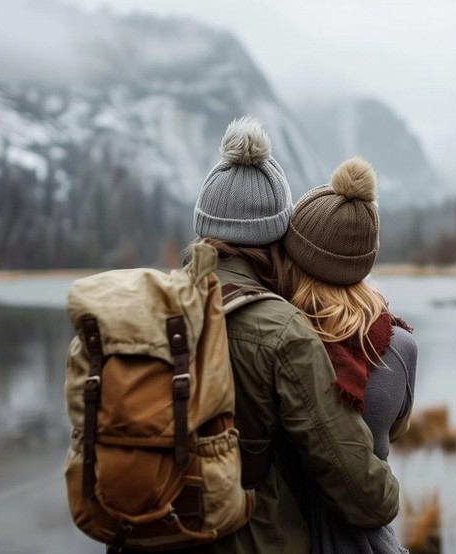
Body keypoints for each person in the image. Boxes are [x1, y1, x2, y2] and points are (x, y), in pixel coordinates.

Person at [171, 118, 400, 554]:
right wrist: (389, 486)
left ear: (203, 230)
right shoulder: (281, 330)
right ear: (278, 236)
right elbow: (363, 494)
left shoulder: (153, 306)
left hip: (145, 532)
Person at [279, 157, 417, 554]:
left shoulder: (280, 335)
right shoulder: (401, 345)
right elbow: (394, 430)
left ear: (297, 255)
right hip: (371, 542)